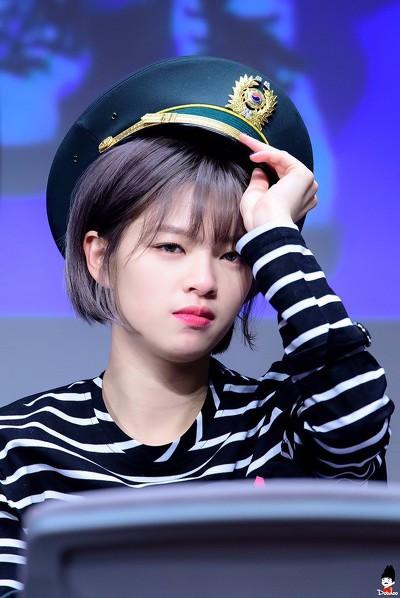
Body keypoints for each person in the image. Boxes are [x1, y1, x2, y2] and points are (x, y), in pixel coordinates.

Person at [0, 56, 393, 596]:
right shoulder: (20, 448)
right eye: (170, 247)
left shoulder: (280, 425)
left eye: (233, 255)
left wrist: (275, 235)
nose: (203, 281)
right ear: (99, 256)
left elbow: (359, 421)